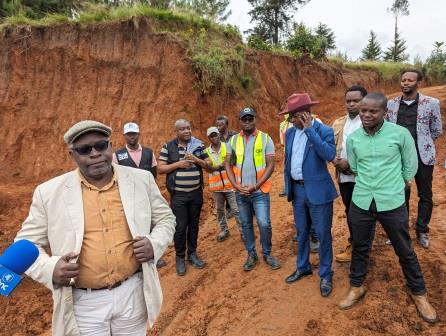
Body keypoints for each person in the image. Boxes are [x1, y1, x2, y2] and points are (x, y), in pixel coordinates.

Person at [15, 120, 176, 335]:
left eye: (101, 146)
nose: (95, 154)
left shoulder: (141, 180)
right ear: (72, 154)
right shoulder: (48, 193)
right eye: (84, 149)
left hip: (133, 295)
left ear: (110, 146)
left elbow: (166, 218)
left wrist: (154, 244)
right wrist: (50, 268)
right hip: (83, 304)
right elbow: (25, 244)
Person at [339, 93, 437, 324]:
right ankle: (357, 286)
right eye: (363, 110)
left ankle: (419, 293)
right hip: (362, 201)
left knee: (405, 250)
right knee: (360, 247)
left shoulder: (400, 134)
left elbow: (410, 165)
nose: (366, 115)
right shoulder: (353, 139)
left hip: (392, 202)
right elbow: (353, 166)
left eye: (373, 111)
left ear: (385, 112)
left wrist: (396, 185)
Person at [280, 93, 338, 297]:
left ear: (305, 113)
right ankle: (303, 266)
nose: (290, 120)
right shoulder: (289, 134)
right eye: (289, 117)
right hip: (298, 191)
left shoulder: (324, 131)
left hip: (318, 191)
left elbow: (330, 155)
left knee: (322, 234)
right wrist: (289, 187)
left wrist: (310, 131)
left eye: (292, 116)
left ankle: (325, 274)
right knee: (302, 232)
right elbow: (288, 161)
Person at [386, 69, 442, 248]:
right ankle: (400, 232)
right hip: (398, 158)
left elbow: (437, 129)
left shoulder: (431, 103)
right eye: (403, 80)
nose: (406, 83)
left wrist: (423, 144)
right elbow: (387, 128)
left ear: (418, 83)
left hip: (423, 156)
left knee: (425, 194)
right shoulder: (391, 104)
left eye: (410, 80)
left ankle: (422, 230)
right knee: (400, 193)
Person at [226, 107, 281, 271]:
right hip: (240, 192)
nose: (248, 122)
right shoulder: (233, 141)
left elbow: (271, 165)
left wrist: (256, 186)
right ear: (240, 121)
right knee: (246, 224)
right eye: (245, 119)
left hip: (259, 192)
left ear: (255, 119)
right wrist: (236, 186)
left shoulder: (265, 139)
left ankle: (267, 253)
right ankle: (251, 254)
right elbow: (227, 164)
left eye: (251, 119)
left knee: (264, 224)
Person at [157, 119, 211, 276]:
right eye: (183, 129)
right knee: (180, 227)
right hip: (178, 195)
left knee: (194, 225)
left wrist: (196, 159)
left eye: (188, 128)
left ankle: (192, 254)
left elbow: (208, 165)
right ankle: (180, 257)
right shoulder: (168, 147)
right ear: (177, 132)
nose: (187, 131)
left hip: (196, 193)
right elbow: (160, 168)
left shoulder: (198, 145)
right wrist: (178, 164)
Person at [113, 122, 167, 268]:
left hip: (146, 195)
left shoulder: (149, 153)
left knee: (149, 222)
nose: (132, 137)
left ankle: (154, 254)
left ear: (138, 134)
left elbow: (154, 173)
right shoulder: (117, 155)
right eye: (129, 134)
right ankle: (134, 258)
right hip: (127, 197)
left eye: (134, 134)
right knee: (131, 225)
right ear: (124, 136)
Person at [332, 85, 368, 263]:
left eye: (356, 100)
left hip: (366, 178)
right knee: (350, 212)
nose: (352, 104)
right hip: (345, 177)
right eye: (348, 101)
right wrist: (336, 161)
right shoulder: (338, 123)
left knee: (365, 213)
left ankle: (363, 248)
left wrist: (351, 165)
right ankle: (354, 244)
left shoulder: (371, 123)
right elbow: (331, 147)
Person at [205, 126, 243, 242]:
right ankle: (224, 230)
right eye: (211, 135)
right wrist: (219, 166)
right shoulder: (206, 151)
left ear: (219, 135)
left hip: (230, 184)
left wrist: (215, 167)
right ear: (208, 138)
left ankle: (243, 231)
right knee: (220, 210)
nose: (214, 137)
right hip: (216, 187)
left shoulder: (227, 146)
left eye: (215, 134)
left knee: (236, 209)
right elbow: (207, 168)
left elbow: (229, 162)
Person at [279, 113, 294, 197]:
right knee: (286, 170)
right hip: (287, 151)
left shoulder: (298, 122)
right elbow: (282, 142)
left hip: (294, 150)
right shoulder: (282, 125)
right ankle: (287, 189)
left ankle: (289, 189)